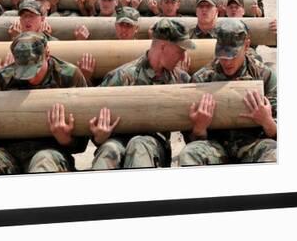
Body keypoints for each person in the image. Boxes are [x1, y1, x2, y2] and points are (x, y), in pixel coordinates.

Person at [0, 32, 89, 176]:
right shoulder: (3, 78)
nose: (30, 77)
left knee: (44, 163)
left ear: (47, 54)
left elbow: (82, 144)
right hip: (9, 153)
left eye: (35, 68)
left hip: (50, 151)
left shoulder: (69, 76)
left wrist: (65, 139)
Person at [89, 19, 194, 170]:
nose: (183, 58)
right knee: (109, 149)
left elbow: (191, 134)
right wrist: (99, 136)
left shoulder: (181, 80)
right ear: (164, 47)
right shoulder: (123, 76)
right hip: (118, 142)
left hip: (152, 146)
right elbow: (95, 127)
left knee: (139, 145)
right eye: (180, 51)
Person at [178, 19, 277, 165]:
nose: (227, 62)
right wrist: (199, 129)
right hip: (215, 148)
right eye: (222, 55)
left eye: (232, 55)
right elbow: (190, 140)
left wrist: (266, 121)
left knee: (275, 153)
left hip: (253, 146)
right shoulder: (202, 79)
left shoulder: (265, 76)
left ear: (247, 45)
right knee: (189, 154)